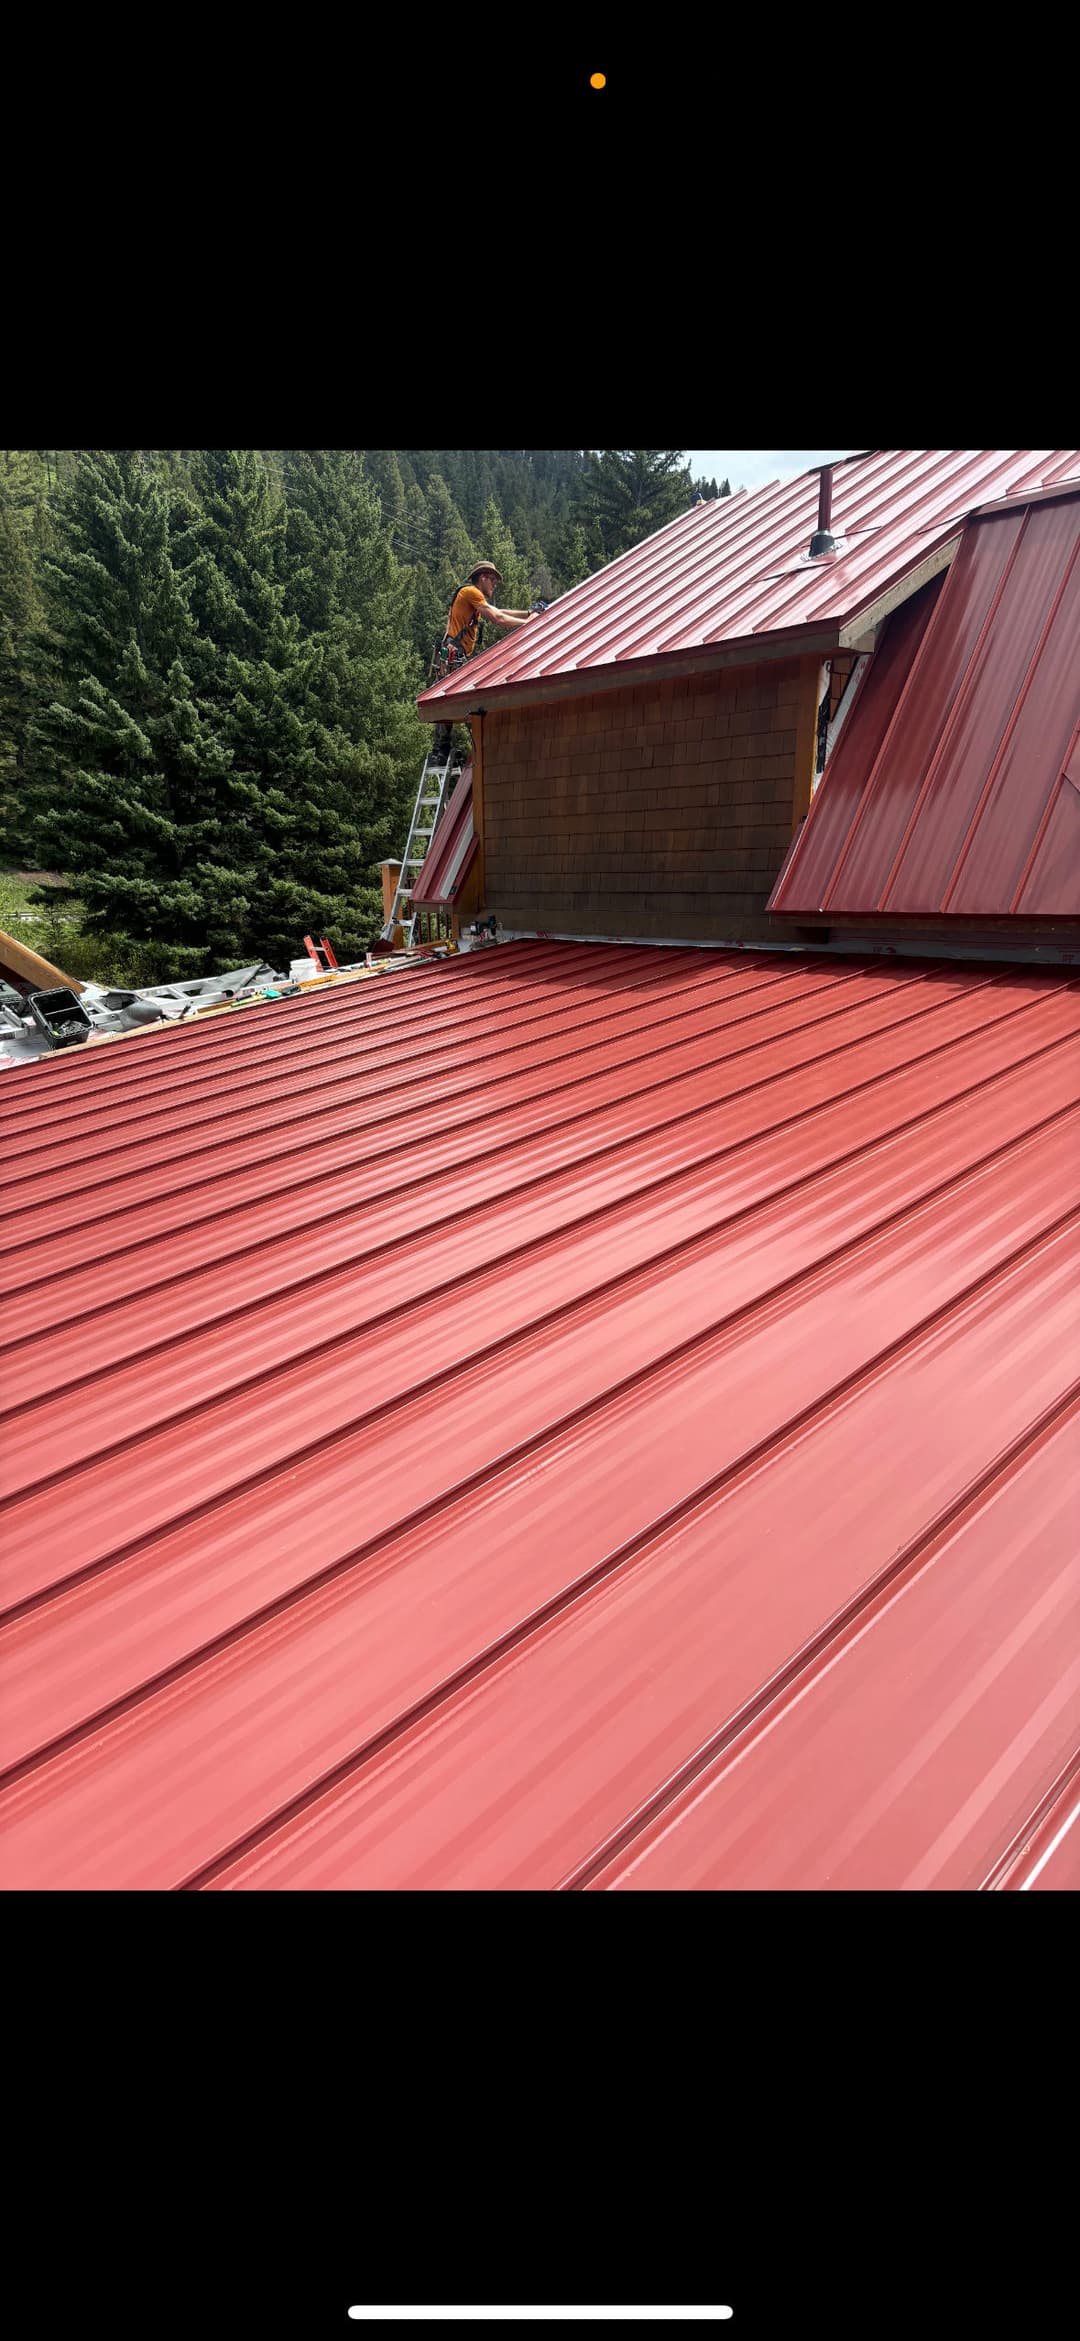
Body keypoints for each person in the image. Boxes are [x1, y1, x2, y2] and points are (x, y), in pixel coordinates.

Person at [430, 562, 535, 767]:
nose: (494, 585)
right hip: (454, 656)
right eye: (493, 580)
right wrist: (529, 623)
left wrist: (527, 613)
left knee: (452, 703)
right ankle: (447, 749)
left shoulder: (472, 598)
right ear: (483, 578)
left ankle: (441, 750)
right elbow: (498, 617)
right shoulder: (470, 592)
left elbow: (498, 610)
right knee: (470, 703)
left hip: (452, 656)